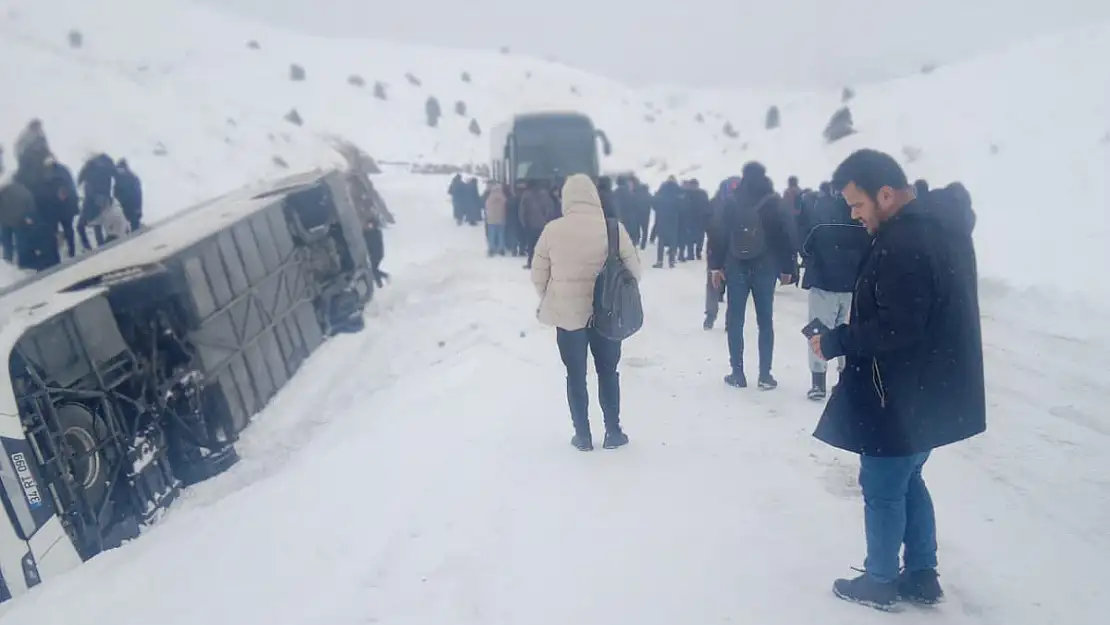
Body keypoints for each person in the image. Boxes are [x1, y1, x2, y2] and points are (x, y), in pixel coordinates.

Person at [809, 149, 986, 610]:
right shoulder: (938, 228)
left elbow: (898, 326)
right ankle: (923, 574)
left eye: (858, 205)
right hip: (926, 389)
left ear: (885, 194)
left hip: (899, 392)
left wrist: (837, 341)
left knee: (884, 486)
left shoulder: (904, 241)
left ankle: (882, 581)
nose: (853, 215)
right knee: (909, 478)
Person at [530, 174, 641, 451]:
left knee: (576, 376)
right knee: (608, 371)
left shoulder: (552, 230)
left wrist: (553, 297)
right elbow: (634, 272)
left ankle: (583, 436)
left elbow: (537, 275)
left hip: (569, 320)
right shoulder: (613, 228)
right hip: (607, 315)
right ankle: (613, 432)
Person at [707, 163, 796, 390]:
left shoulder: (732, 201)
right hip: (766, 266)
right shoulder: (773, 202)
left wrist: (716, 266)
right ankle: (765, 375)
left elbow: (719, 233)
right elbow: (784, 235)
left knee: (735, 319)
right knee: (765, 321)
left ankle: (737, 373)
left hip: (736, 266)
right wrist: (787, 268)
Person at [798, 182, 871, 400]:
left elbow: (805, 246)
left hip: (823, 283)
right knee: (848, 332)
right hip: (853, 286)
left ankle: (818, 382)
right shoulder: (861, 217)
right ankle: (845, 381)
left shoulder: (819, 216)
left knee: (818, 330)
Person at [519, 179, 556, 269]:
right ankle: (544, 264)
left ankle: (531, 263)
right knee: (543, 246)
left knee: (531, 246)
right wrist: (547, 220)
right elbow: (549, 209)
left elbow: (522, 211)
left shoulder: (526, 195)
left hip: (530, 225)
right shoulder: (544, 194)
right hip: (543, 224)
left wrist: (524, 222)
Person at [484, 182, 507, 256]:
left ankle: (492, 248)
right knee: (501, 234)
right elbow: (506, 207)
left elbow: (486, 206)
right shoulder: (503, 197)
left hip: (491, 219)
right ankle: (501, 248)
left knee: (492, 234)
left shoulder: (490, 197)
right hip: (501, 218)